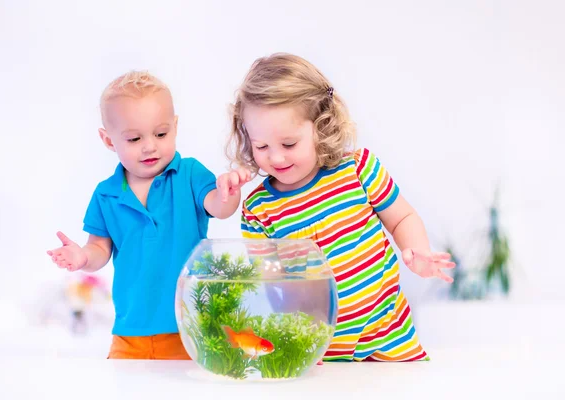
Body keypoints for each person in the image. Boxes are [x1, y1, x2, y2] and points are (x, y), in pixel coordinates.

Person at [226, 53, 455, 362]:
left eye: (289, 144)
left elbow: (402, 218)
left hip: (388, 336)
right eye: (262, 146)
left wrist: (416, 250)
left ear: (321, 126)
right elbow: (270, 283)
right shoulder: (259, 208)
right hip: (318, 350)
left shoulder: (358, 169)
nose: (276, 158)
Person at [47, 71, 250, 359]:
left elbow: (219, 206)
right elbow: (99, 249)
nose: (150, 146)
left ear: (175, 126)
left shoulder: (190, 174)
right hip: (130, 332)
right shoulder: (106, 194)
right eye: (134, 138)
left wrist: (228, 192)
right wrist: (82, 257)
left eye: (161, 133)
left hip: (189, 328)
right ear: (108, 140)